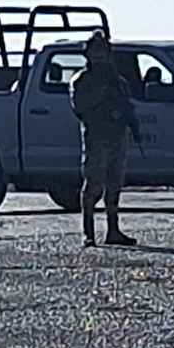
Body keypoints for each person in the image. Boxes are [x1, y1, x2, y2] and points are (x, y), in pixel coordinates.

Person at [70, 30, 140, 247]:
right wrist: (102, 94)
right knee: (93, 186)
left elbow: (127, 105)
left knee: (114, 186)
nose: (99, 56)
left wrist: (127, 117)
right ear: (88, 54)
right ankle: (88, 232)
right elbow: (80, 107)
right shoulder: (82, 80)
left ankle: (113, 230)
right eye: (95, 52)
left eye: (103, 52)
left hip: (116, 137)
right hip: (96, 138)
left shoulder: (117, 81)